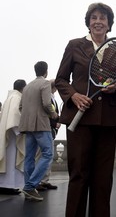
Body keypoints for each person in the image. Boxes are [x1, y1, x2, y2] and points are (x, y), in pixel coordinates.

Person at [55, 2, 116, 217]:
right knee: (79, 174)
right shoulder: (74, 45)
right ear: (88, 22)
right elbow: (60, 79)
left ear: (109, 24)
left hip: (108, 120)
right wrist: (74, 96)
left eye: (102, 18)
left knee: (103, 178)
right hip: (80, 118)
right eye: (94, 17)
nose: (98, 21)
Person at [19, 61, 58, 202]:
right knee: (48, 154)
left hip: (27, 126)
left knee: (29, 157)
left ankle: (29, 187)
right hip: (41, 125)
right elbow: (47, 104)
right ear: (46, 71)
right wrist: (54, 114)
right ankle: (30, 187)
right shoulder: (45, 83)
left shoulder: (28, 86)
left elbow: (21, 106)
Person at [0, 79, 26, 195]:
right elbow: (15, 115)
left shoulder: (9, 98)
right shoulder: (17, 98)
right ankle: (8, 185)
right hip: (13, 135)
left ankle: (7, 185)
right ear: (23, 88)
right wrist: (20, 131)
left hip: (8, 134)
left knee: (8, 161)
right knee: (11, 161)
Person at [37, 79, 60, 191]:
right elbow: (46, 112)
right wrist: (55, 122)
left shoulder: (51, 97)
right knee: (45, 155)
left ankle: (45, 180)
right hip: (47, 128)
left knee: (48, 156)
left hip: (50, 129)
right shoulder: (47, 98)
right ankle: (40, 181)